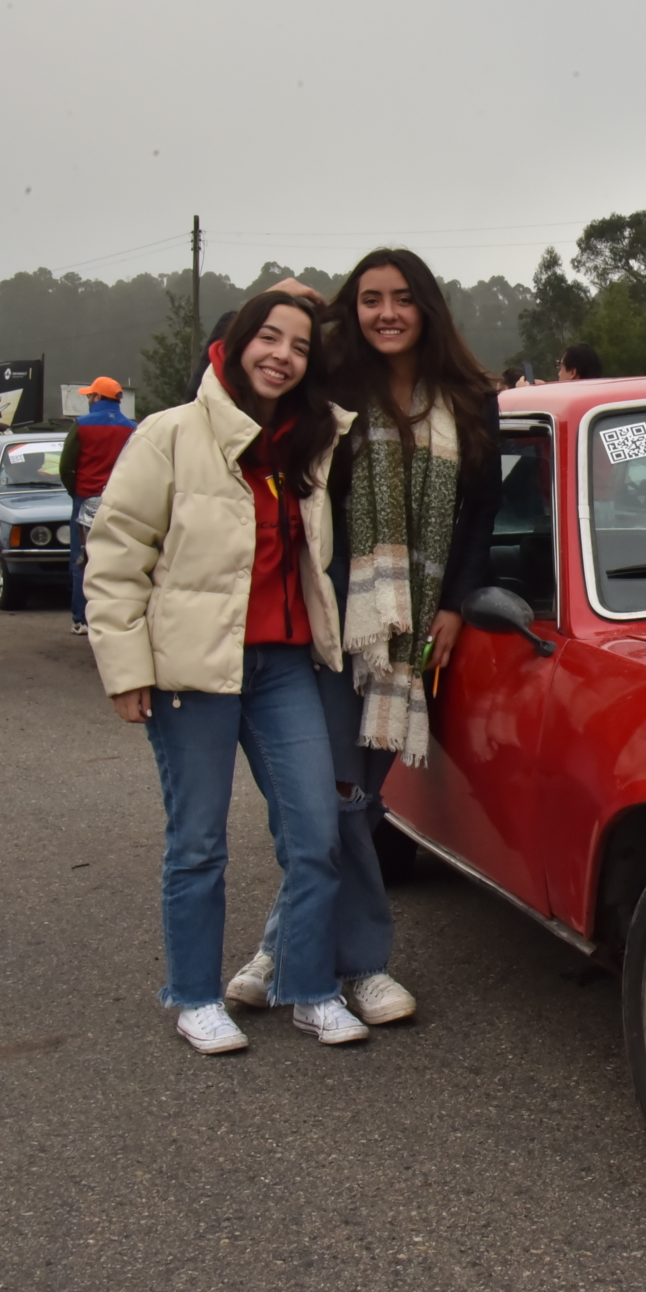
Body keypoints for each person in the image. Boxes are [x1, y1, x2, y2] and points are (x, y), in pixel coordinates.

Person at [224, 248, 502, 1025]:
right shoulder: (333, 382)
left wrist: (455, 602)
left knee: (357, 797)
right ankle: (368, 964)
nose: (387, 312)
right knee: (337, 798)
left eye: (402, 298)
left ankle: (284, 946)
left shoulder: (473, 398)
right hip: (335, 613)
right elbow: (233, 382)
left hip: (416, 629)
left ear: (428, 309)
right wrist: (270, 300)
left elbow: (481, 512)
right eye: (371, 298)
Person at [84, 291, 364, 1054]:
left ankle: (308, 986)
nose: (281, 353)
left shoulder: (311, 441)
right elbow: (115, 558)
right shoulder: (168, 434)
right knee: (198, 841)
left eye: (299, 345)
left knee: (316, 830)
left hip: (283, 665)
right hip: (190, 669)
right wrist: (124, 667)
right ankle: (196, 995)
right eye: (268, 336)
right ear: (237, 343)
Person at [59, 376, 136, 635]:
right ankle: (117, 617)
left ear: (98, 398)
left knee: (82, 558)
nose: (88, 400)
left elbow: (66, 466)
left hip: (86, 499)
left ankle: (81, 619)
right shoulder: (133, 428)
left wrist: (76, 493)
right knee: (120, 560)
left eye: (90, 396)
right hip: (121, 500)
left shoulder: (81, 425)